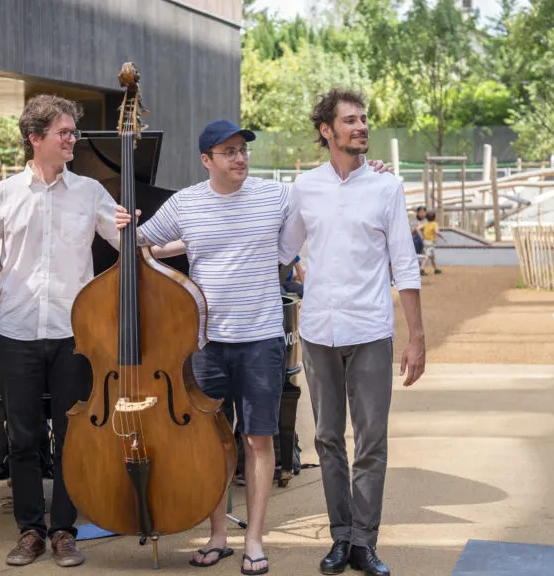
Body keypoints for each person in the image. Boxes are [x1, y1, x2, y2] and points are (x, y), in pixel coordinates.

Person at [115, 119, 392, 576]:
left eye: (243, 149)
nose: (240, 157)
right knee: (211, 444)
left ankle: (255, 541)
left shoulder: (276, 195)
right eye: (228, 151)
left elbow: (328, 193)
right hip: (205, 344)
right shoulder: (185, 203)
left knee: (257, 441)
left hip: (262, 338)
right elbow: (135, 244)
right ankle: (218, 536)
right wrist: (124, 226)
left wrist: (369, 168)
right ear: (207, 160)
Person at [277, 88, 425, 576]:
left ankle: (365, 542)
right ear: (327, 130)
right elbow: (281, 249)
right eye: (351, 120)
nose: (361, 126)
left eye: (364, 119)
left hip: (370, 332)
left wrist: (417, 338)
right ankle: (340, 539)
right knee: (326, 438)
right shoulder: (305, 188)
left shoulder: (387, 187)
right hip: (318, 330)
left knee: (372, 440)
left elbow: (404, 265)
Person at [0, 95, 120, 568]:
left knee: (73, 435)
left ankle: (63, 530)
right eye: (63, 132)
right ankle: (30, 530)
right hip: (16, 330)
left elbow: (129, 241)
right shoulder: (2, 194)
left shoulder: (91, 192)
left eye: (72, 131)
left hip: (74, 333)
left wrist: (163, 231)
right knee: (22, 436)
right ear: (35, 139)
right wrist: (3, 284)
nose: (72, 139)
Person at [419, 210, 445, 276]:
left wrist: (421, 236)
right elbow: (436, 232)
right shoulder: (434, 224)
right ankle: (422, 269)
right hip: (431, 243)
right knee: (427, 256)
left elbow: (418, 228)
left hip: (425, 242)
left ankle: (435, 269)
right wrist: (442, 236)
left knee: (432, 256)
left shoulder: (425, 224)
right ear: (434, 217)